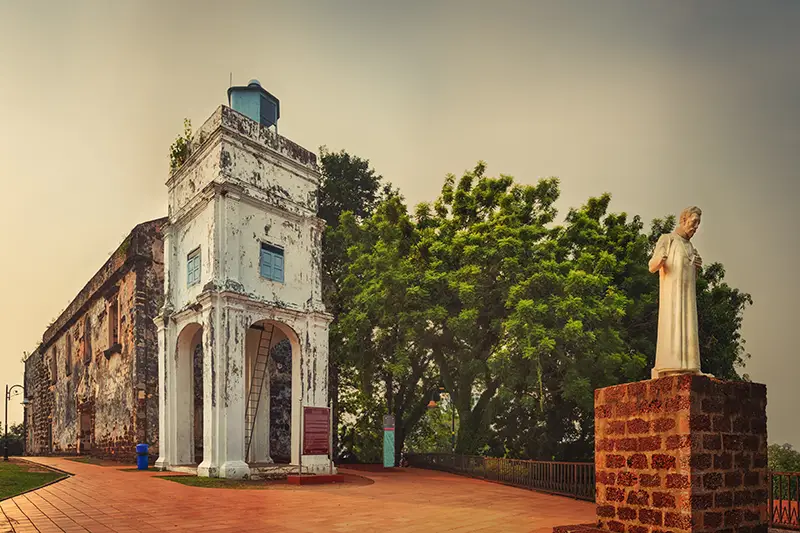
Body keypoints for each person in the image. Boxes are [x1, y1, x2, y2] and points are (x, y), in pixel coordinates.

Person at [648, 206, 711, 379]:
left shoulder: (690, 247)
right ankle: (670, 366)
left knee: (689, 324)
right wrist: (660, 260)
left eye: (698, 224)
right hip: (672, 295)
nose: (695, 227)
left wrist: (696, 267)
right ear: (683, 220)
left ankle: (692, 367)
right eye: (694, 222)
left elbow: (690, 274)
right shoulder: (667, 239)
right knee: (673, 325)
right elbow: (652, 266)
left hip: (687, 295)